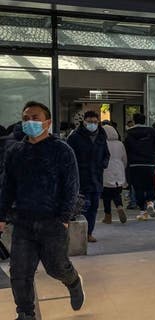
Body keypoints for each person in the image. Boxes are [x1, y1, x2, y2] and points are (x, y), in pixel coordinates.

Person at [0, 101, 85, 320]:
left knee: (56, 267)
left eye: (35, 118)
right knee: (19, 273)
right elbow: (7, 186)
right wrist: (1, 215)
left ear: (47, 122)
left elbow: (71, 186)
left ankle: (73, 281)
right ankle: (25, 313)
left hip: (53, 221)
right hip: (23, 222)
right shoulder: (15, 151)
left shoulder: (62, 150)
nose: (30, 122)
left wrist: (64, 218)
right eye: (26, 118)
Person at [67, 110, 110, 243]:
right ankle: (81, 233)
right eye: (90, 122)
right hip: (81, 178)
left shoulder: (102, 136)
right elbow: (69, 156)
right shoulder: (75, 137)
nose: (92, 124)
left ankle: (89, 233)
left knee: (94, 207)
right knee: (82, 206)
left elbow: (106, 154)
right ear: (84, 122)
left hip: (96, 177)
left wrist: (103, 164)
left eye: (95, 122)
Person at [124, 113, 155, 221]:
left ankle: (142, 211)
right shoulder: (151, 132)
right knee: (150, 185)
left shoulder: (129, 133)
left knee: (138, 188)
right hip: (149, 163)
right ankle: (150, 202)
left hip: (135, 164)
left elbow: (126, 149)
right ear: (145, 120)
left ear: (134, 120)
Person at [101, 125, 128, 224]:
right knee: (117, 193)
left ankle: (108, 216)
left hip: (106, 170)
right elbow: (124, 159)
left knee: (106, 195)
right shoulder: (120, 144)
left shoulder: (103, 143)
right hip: (119, 169)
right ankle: (119, 206)